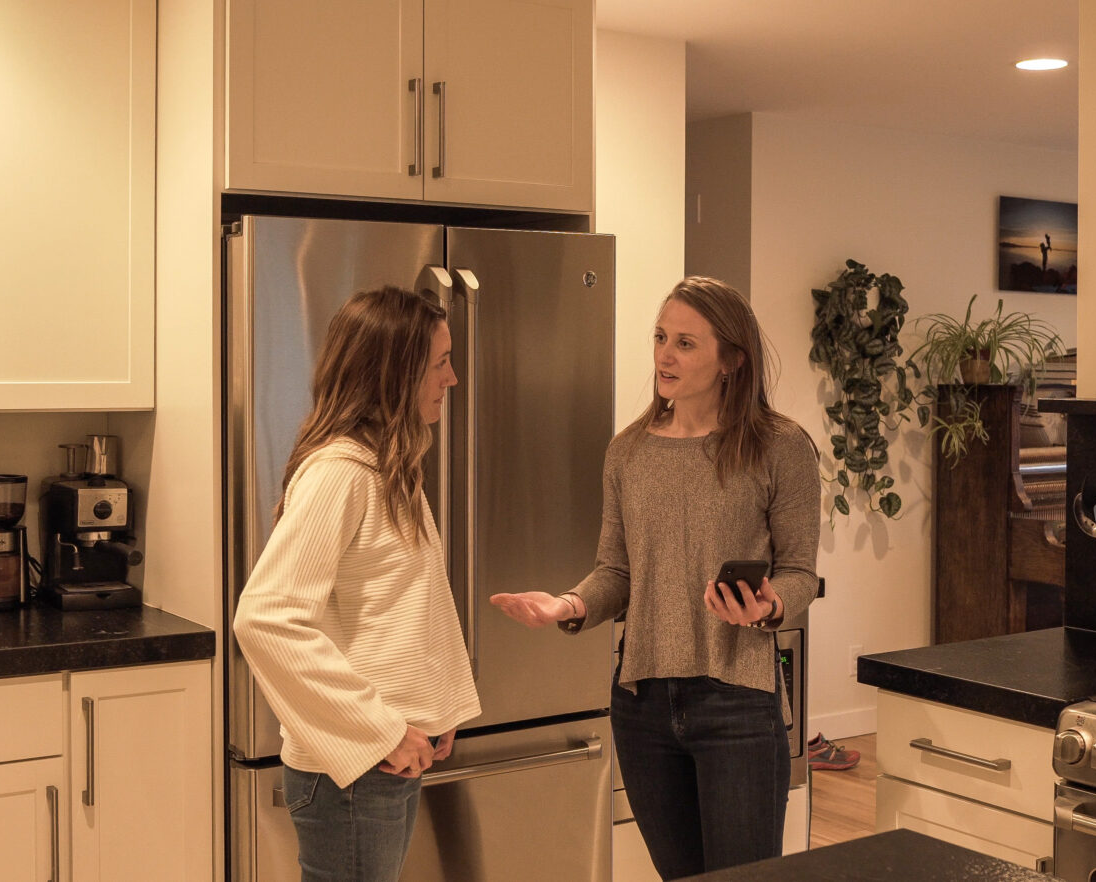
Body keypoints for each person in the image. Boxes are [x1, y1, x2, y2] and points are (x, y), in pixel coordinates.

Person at [490, 276, 820, 879]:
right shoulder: (628, 451)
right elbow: (617, 571)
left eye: (687, 344)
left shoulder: (780, 448)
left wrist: (769, 605)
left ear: (732, 360)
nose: (665, 356)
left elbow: (800, 574)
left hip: (738, 701)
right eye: (661, 337)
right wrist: (568, 606)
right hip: (641, 704)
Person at [233, 285, 481, 882]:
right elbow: (265, 617)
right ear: (394, 376)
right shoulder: (341, 475)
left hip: (384, 760)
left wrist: (436, 705)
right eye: (441, 363)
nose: (452, 379)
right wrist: (383, 731)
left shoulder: (389, 466)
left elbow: (404, 605)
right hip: (353, 771)